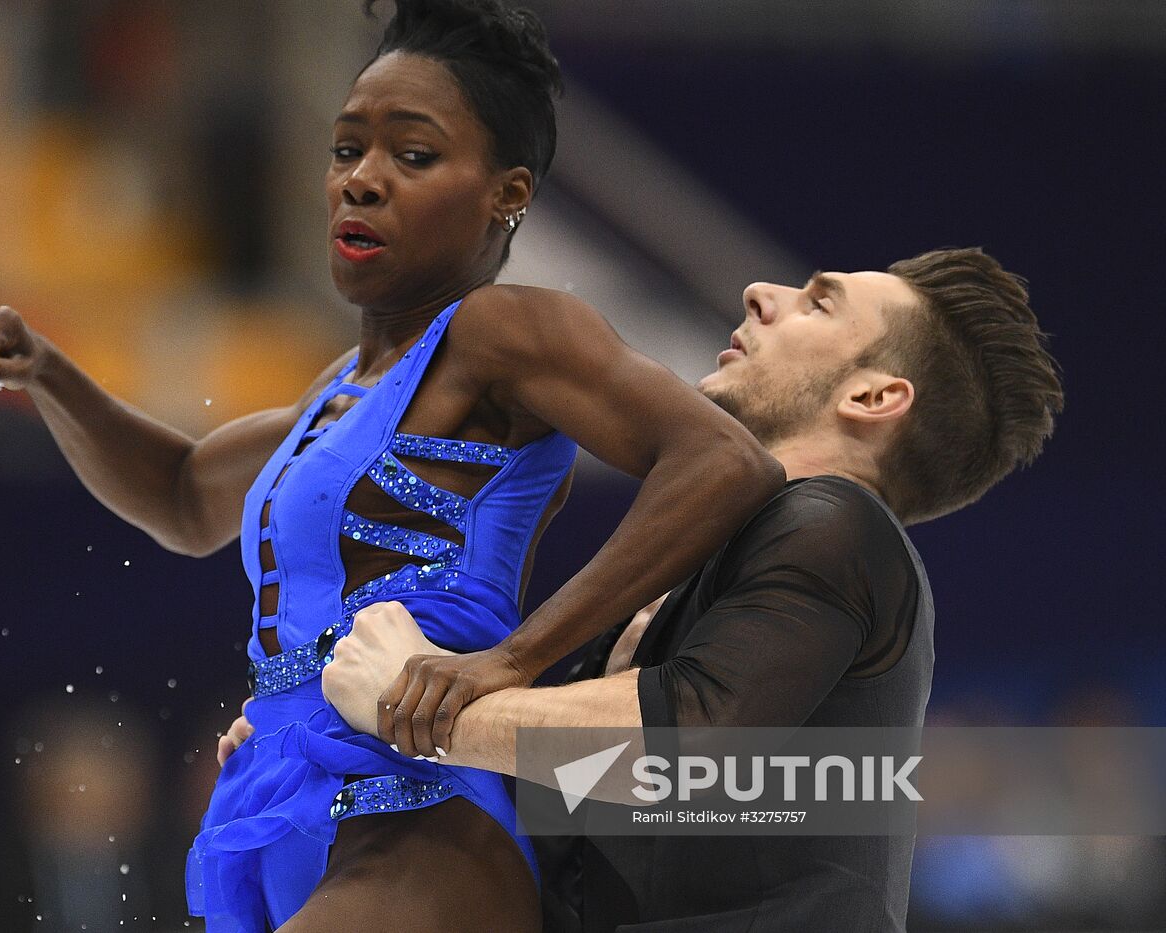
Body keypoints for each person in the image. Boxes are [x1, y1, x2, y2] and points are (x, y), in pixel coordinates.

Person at [0, 1, 782, 931]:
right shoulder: (334, 391)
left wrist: (516, 658)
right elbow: (181, 497)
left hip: (417, 808)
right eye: (346, 150)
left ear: (507, 193)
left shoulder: (501, 331)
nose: (362, 180)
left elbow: (722, 459)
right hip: (283, 793)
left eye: (412, 155)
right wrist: (49, 375)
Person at [221, 247, 1066, 930]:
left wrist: (414, 705)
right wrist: (318, 734)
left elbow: (686, 744)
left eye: (818, 302)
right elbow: (583, 810)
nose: (761, 293)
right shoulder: (704, 580)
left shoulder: (839, 524)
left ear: (873, 395)